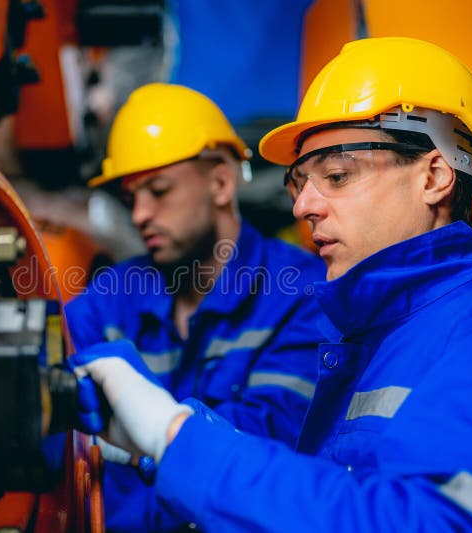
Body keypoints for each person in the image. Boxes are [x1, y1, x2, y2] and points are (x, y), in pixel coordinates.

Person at [69, 37, 472, 532]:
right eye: (300, 182)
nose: (302, 206)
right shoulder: (377, 336)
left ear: (434, 177)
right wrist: (169, 433)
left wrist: (176, 436)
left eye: (338, 175)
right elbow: (329, 496)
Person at [64, 83, 327, 531]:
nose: (140, 214)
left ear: (221, 183)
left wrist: (154, 431)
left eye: (158, 190)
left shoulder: (301, 294)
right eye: (130, 199)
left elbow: (271, 438)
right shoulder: (111, 297)